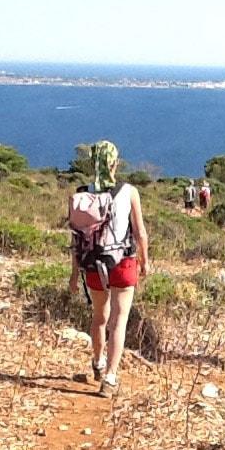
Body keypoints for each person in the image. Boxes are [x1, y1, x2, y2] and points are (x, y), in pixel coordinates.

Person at [68, 140, 150, 397]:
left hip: (93, 263)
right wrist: (145, 261)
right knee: (119, 320)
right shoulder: (129, 191)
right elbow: (140, 233)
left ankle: (97, 362)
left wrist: (74, 275)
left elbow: (76, 241)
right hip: (123, 263)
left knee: (99, 317)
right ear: (114, 163)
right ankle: (110, 378)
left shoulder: (81, 195)